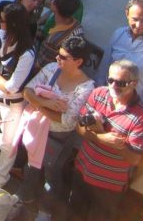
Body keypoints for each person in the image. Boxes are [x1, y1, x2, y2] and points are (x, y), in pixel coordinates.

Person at [17, 36, 95, 211]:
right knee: (30, 165)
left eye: (63, 57)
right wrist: (47, 104)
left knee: (51, 175)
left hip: (58, 137)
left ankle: (46, 209)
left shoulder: (86, 88)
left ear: (79, 61)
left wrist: (37, 105)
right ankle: (26, 196)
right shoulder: (52, 68)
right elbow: (27, 91)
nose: (57, 59)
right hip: (37, 130)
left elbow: (67, 121)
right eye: (58, 55)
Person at [69, 60, 143, 220]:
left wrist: (117, 145)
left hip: (108, 187)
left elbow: (134, 159)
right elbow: (79, 128)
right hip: (82, 171)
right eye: (110, 80)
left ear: (134, 84)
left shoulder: (142, 117)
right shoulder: (98, 94)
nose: (113, 86)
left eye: (120, 82)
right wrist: (102, 137)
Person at [0, 2, 37, 189]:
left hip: (12, 104)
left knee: (7, 144)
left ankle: (0, 177)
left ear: (14, 24)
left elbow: (12, 87)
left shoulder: (27, 53)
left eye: (3, 20)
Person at [98, 0, 143, 107]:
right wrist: (98, 95)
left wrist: (142, 105)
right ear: (127, 14)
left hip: (137, 107)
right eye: (135, 19)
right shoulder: (118, 34)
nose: (139, 25)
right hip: (107, 101)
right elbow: (103, 69)